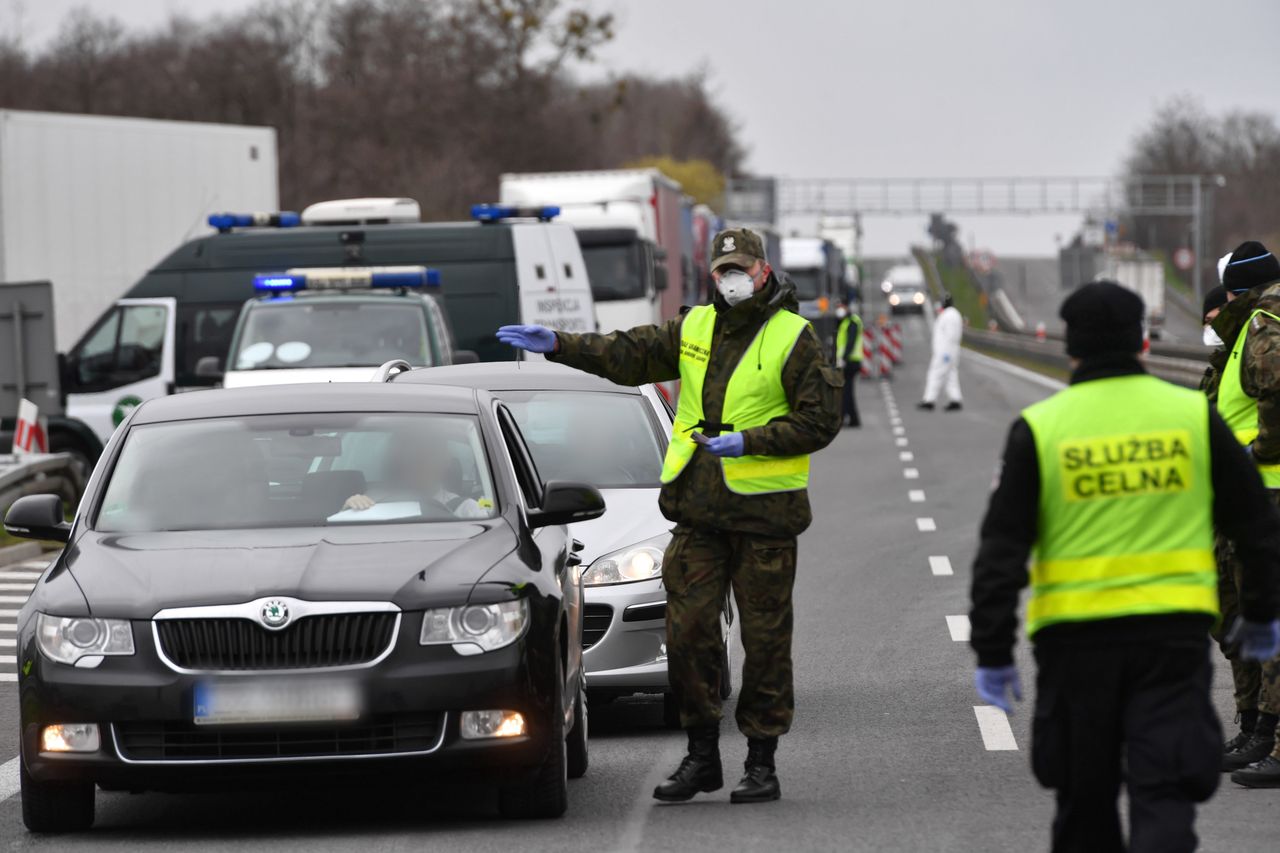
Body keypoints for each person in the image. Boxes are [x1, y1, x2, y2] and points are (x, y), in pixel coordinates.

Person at [495, 227, 841, 804]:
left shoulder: (795, 338)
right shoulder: (695, 326)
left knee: (765, 643)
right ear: (714, 274)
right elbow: (626, 353)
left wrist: (753, 441)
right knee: (687, 638)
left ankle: (761, 762)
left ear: (763, 272)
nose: (732, 278)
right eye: (723, 269)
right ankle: (702, 756)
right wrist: (557, 342)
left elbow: (819, 422)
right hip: (698, 513)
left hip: (764, 522)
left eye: (741, 269)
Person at [969, 280, 1280, 852]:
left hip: (1074, 646)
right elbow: (1254, 524)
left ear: (1072, 348)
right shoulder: (1191, 417)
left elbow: (1001, 552)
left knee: (1084, 803)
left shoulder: (1041, 428)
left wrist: (992, 650)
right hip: (1171, 641)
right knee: (1163, 795)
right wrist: (1260, 612)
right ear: (1143, 341)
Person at [1206, 240, 1280, 786]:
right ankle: (1256, 728)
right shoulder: (1253, 326)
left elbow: (1273, 394)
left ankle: (1268, 740)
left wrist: (1257, 454)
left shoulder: (1263, 323)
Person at [343, 426, 488, 519]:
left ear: (445, 462)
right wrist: (348, 511)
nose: (421, 464)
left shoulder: (468, 510)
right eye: (414, 456)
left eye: (429, 456)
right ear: (400, 462)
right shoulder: (373, 503)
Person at [918, 292, 963, 411]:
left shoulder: (947, 315)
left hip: (945, 352)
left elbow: (950, 335)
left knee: (935, 374)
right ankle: (955, 399)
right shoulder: (955, 314)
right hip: (952, 351)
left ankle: (929, 400)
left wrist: (945, 353)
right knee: (950, 375)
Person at [834, 301, 864, 427]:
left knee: (845, 391)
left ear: (846, 307)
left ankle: (845, 417)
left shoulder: (852, 322)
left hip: (851, 361)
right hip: (849, 361)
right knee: (847, 391)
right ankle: (853, 419)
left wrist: (843, 359)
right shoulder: (845, 321)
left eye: (841, 307)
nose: (839, 309)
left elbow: (850, 342)